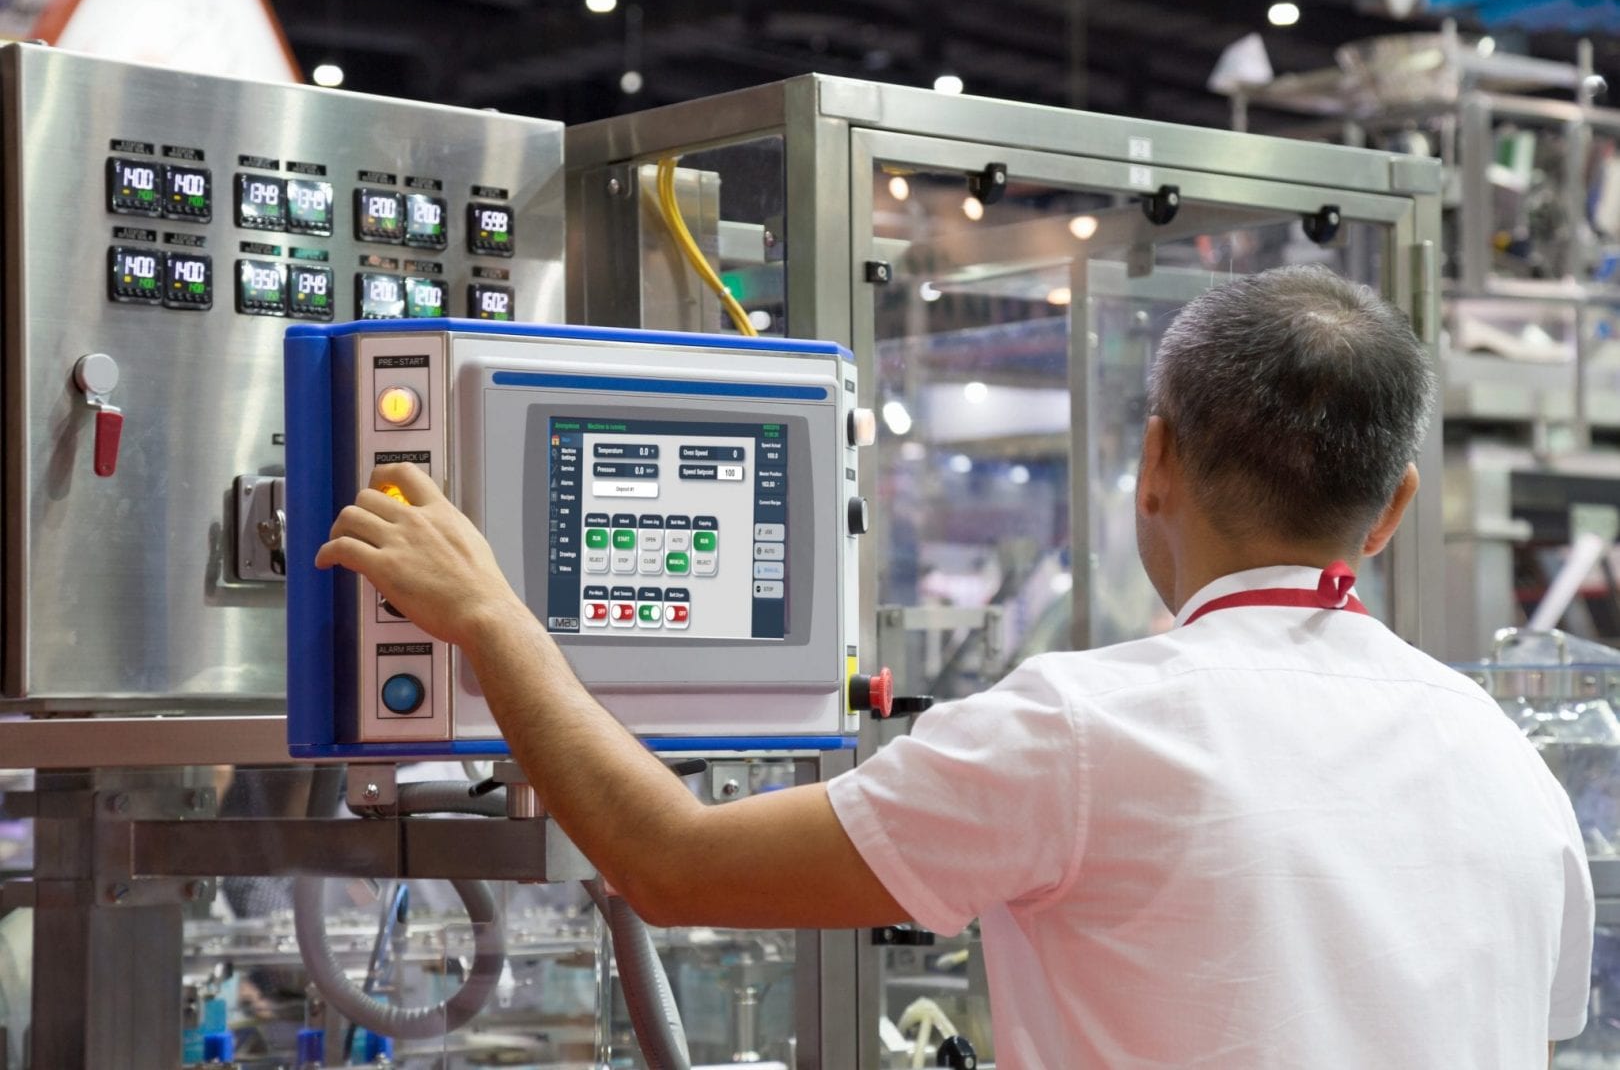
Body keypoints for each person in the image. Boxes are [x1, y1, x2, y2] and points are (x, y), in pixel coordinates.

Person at [317, 265, 1593, 1069]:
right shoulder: (1503, 755)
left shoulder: (1087, 731)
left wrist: (491, 616)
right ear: (1391, 510)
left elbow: (671, 864)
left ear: (1154, 461)